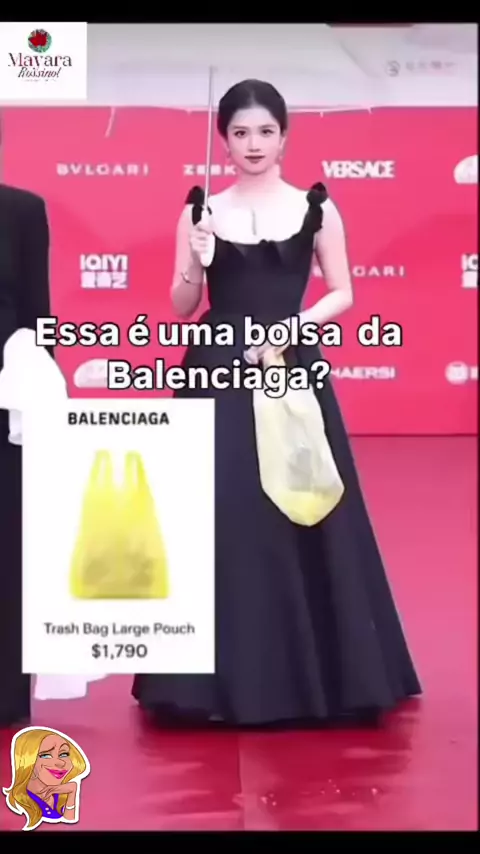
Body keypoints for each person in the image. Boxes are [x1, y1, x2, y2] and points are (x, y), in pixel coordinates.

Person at [132, 79, 422, 728]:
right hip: (216, 371)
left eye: (265, 131)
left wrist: (293, 329)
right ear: (224, 141)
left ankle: (322, 677)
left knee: (305, 502)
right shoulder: (201, 211)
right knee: (219, 510)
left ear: (285, 136)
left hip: (290, 365)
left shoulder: (317, 208)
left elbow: (342, 291)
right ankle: (202, 686)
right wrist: (196, 261)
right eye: (240, 133)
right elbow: (182, 306)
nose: (253, 144)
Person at [0, 183, 52, 727]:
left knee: (7, 549)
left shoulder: (21, 211)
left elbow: (40, 318)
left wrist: (44, 405)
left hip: (5, 404)